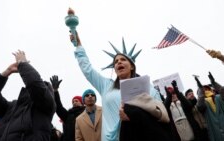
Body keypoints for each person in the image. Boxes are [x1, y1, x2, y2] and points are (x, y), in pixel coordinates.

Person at [68, 12, 171, 140]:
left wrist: (134, 116)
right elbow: (87, 69)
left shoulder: (148, 88)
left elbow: (161, 114)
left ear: (132, 65)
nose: (119, 62)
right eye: (116, 61)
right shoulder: (106, 85)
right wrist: (78, 46)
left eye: (123, 60)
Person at [0, 50, 56, 141]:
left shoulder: (46, 106)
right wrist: (6, 72)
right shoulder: (11, 107)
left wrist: (23, 64)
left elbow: (34, 84)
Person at [194, 75, 224, 141]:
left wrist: (214, 83)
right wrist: (200, 90)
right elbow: (200, 106)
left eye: (207, 89)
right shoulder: (203, 103)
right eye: (203, 90)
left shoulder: (219, 97)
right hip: (216, 130)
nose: (205, 90)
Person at [50, 75, 85, 141]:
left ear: (82, 103)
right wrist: (55, 91)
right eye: (73, 101)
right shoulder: (68, 115)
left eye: (76, 101)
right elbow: (58, 107)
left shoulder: (86, 113)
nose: (74, 102)